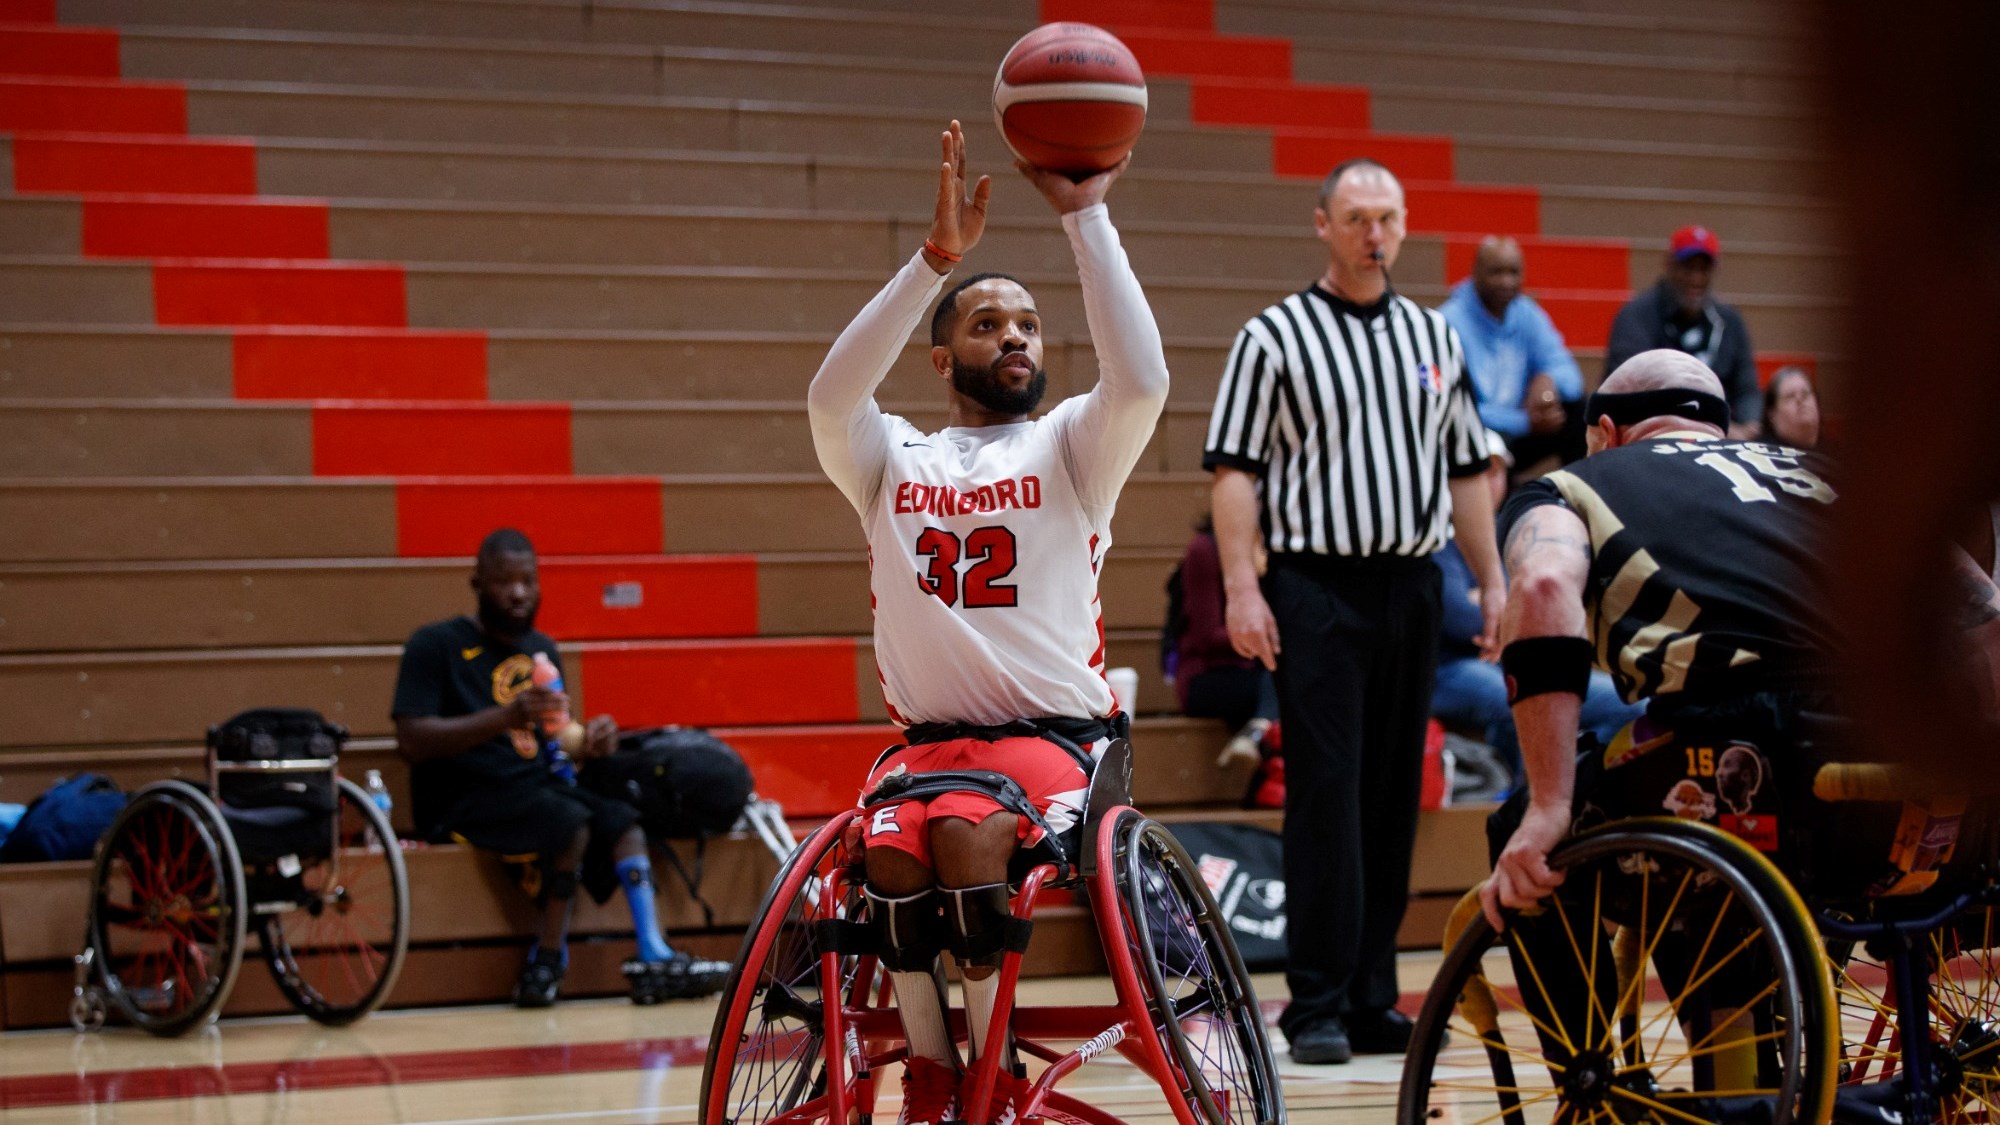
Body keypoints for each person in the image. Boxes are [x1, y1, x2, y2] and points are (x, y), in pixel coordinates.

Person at [807, 121, 1166, 1125]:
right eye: (984, 323)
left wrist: (1084, 215)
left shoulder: (1070, 448)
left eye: (1026, 323)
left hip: (1056, 746)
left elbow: (1140, 378)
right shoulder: (890, 460)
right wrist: (936, 261)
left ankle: (987, 1071)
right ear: (938, 358)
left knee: (963, 846)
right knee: (885, 859)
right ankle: (934, 1074)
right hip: (925, 748)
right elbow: (830, 395)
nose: (1012, 335)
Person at [1202, 157, 1506, 1065]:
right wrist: (1244, 588)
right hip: (1315, 587)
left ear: (1405, 227)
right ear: (1323, 225)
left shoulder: (1433, 337)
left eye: (1390, 217)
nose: (1376, 233)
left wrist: (1489, 580)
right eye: (1357, 217)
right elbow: (1234, 473)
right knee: (1326, 797)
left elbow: (1467, 473)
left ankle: (1375, 996)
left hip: (1413, 585)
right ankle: (1318, 1003)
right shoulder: (1273, 337)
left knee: (1388, 799)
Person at [1480, 349, 1841, 928]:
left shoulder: (1570, 485)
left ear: (1605, 432)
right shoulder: (1822, 472)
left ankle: (1580, 1023)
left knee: (1526, 827)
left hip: (1746, 754)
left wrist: (1550, 804)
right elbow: (1980, 610)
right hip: (1893, 756)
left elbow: (1545, 583)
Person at [390, 528, 731, 1007]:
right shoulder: (435, 645)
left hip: (533, 786)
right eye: (504, 581)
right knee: (567, 821)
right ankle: (548, 960)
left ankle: (654, 952)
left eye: (528, 580)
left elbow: (554, 743)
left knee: (623, 821)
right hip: (461, 794)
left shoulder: (542, 651)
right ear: (477, 583)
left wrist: (589, 740)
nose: (518, 592)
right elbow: (411, 740)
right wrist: (503, 718)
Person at [1431, 445, 1643, 787]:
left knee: (1629, 704)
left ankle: (1592, 796)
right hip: (1449, 668)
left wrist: (1501, 603)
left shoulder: (1516, 529)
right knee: (1516, 698)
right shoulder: (1436, 536)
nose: (1487, 483)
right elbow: (1460, 621)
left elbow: (1571, 600)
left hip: (1517, 656)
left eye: (1495, 472)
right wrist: (1524, 603)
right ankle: (1518, 807)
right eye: (1478, 473)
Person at [1438, 235, 1587, 471]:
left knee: (1578, 411)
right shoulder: (1449, 322)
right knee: (1481, 435)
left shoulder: (1526, 312)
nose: (1506, 281)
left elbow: (1571, 376)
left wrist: (1547, 380)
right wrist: (1525, 422)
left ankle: (1577, 492)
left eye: (1513, 272)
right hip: (1478, 435)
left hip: (1524, 427)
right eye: (1496, 272)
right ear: (1475, 272)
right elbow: (1459, 408)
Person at [1604, 226, 1760, 437]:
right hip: (1651, 432)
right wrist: (1708, 425)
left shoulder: (1729, 320)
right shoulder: (1636, 316)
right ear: (1669, 265)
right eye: (1688, 268)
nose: (1696, 278)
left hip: (1722, 435)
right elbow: (1632, 388)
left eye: (1703, 269)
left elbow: (1747, 388)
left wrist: (1750, 424)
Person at [1169, 515, 1280, 768]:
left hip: (1258, 672)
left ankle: (1256, 732)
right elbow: (1207, 636)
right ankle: (1259, 731)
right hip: (1207, 676)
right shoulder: (1205, 548)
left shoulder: (1277, 547)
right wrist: (1269, 635)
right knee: (1287, 678)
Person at [1759, 365, 1821, 449]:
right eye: (1790, 396)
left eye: (1805, 394)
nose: (1800, 399)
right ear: (1772, 415)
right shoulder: (1762, 453)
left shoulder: (1838, 453)